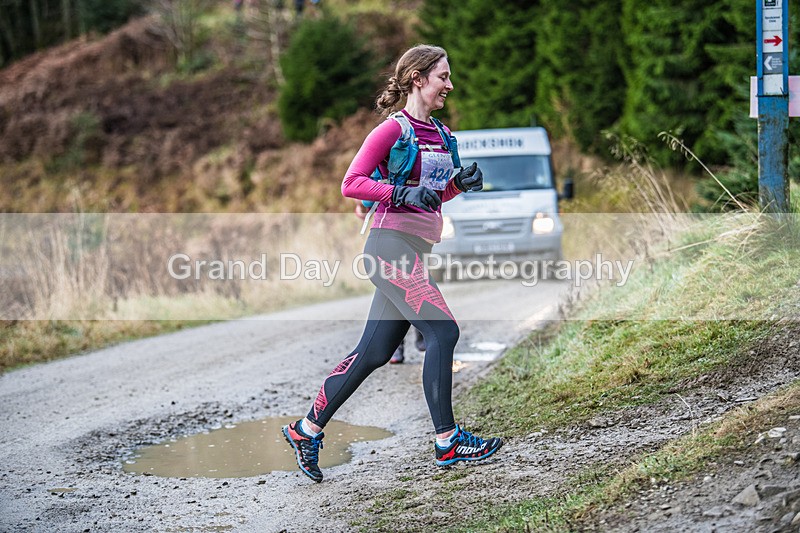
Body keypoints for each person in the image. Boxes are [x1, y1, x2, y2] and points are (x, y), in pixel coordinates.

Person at [282, 44, 503, 482]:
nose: (450, 85)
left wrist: (458, 185)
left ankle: (305, 430)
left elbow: (431, 196)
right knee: (443, 330)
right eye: (443, 76)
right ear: (418, 79)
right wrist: (398, 193)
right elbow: (352, 183)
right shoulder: (392, 130)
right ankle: (447, 441)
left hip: (414, 248)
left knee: (375, 352)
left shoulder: (442, 135)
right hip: (388, 247)